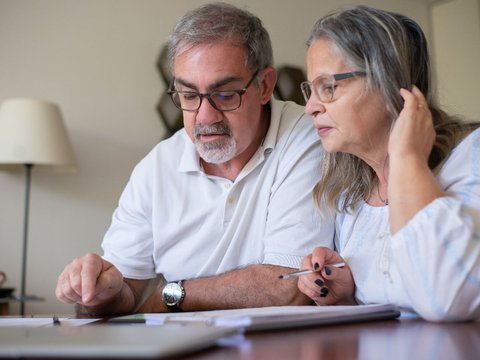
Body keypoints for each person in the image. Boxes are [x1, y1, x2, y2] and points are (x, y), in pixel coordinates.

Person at [55, 2, 333, 316]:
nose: (204, 115)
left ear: (265, 85)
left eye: (226, 94)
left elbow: (289, 283)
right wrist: (95, 292)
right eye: (189, 96)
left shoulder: (307, 136)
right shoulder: (156, 167)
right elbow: (124, 294)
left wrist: (168, 296)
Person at [297, 5, 480, 321]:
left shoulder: (471, 157)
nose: (310, 108)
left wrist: (407, 161)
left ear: (387, 82)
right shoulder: (349, 197)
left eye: (327, 87)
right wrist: (347, 295)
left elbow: (449, 299)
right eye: (310, 89)